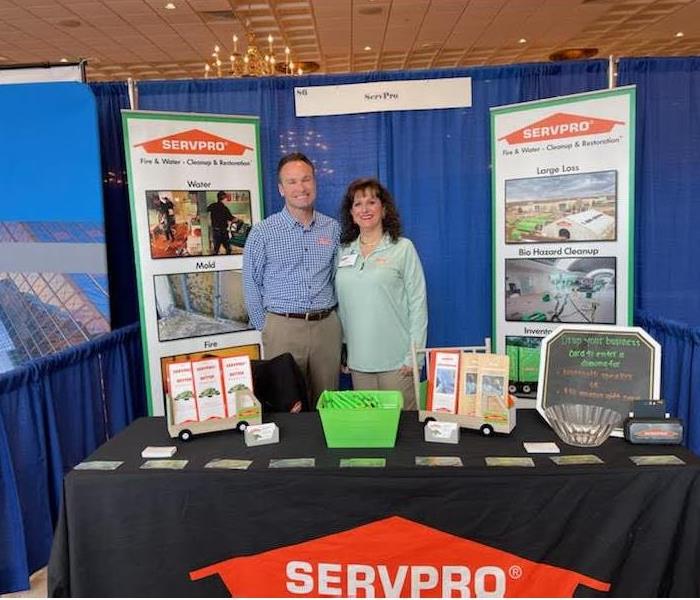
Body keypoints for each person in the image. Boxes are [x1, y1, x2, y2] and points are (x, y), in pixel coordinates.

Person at [242, 152, 341, 408]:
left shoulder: (332, 229)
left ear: (315, 183)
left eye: (306, 179)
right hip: (282, 328)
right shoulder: (263, 231)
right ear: (281, 189)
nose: (301, 188)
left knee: (327, 404)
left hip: (326, 328)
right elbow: (251, 282)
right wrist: (267, 327)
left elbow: (336, 277)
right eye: (292, 181)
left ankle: (325, 450)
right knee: (286, 405)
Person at [335, 178, 427, 410]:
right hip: (359, 362)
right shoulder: (343, 252)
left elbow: (418, 303)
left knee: (405, 435)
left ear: (384, 209)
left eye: (371, 202)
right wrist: (344, 350)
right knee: (371, 433)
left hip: (397, 362)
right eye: (357, 204)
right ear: (351, 213)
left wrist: (414, 355)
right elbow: (341, 307)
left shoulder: (403, 248)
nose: (365, 209)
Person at [207, 191, 234, 255]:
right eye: (226, 198)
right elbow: (230, 218)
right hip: (224, 231)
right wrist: (237, 219)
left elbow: (203, 210)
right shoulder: (225, 208)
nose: (226, 199)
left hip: (216, 231)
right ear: (223, 198)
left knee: (216, 249)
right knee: (228, 249)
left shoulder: (213, 205)